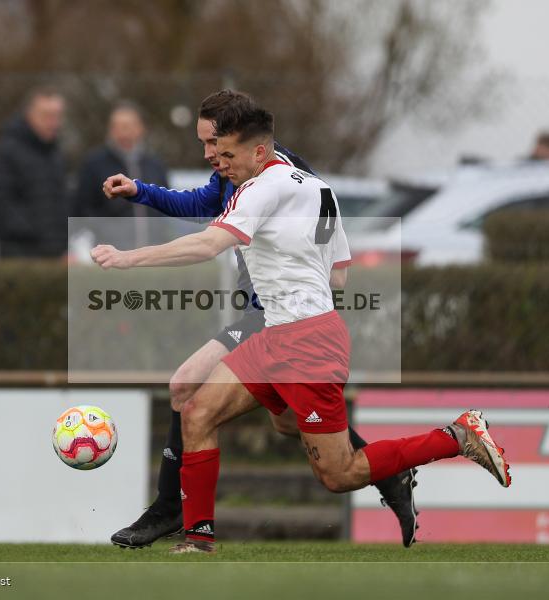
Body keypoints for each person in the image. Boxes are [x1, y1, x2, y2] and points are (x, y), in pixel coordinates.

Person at [92, 99, 512, 554]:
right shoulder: (315, 187)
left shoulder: (260, 189)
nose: (218, 165)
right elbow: (340, 274)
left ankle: (457, 436)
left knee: (339, 473)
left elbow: (209, 243)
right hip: (276, 332)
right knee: (197, 409)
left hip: (307, 343)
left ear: (256, 153)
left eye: (225, 154)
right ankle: (197, 540)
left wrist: (127, 258)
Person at [0, 87, 69, 258]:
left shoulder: (55, 154)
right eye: (46, 115)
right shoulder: (7, 152)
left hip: (55, 253)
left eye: (57, 116)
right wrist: (34, 233)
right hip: (21, 254)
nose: (53, 122)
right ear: (29, 115)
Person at [73, 101, 168, 248]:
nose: (122, 132)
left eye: (127, 126)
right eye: (116, 127)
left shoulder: (155, 165)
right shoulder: (93, 164)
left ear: (141, 128)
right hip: (111, 256)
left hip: (152, 255)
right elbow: (82, 209)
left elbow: (166, 206)